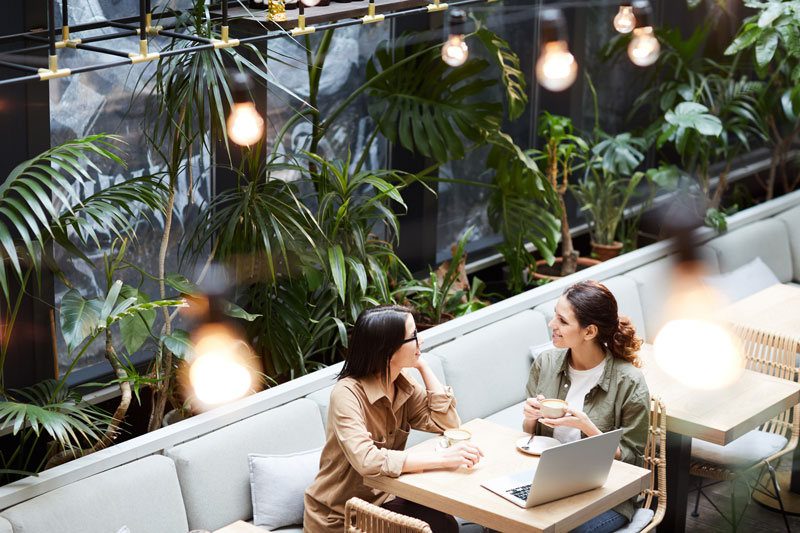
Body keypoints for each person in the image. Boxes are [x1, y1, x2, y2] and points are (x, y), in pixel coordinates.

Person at [304, 305, 484, 533]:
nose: (421, 342)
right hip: (342, 515)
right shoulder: (347, 394)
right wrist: (442, 459)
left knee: (445, 522)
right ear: (387, 349)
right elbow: (367, 460)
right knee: (437, 526)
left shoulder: (401, 382)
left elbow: (449, 425)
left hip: (384, 499)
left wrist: (423, 364)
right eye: (413, 336)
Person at [523, 281, 649, 533]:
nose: (552, 325)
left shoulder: (630, 382)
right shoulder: (546, 363)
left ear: (589, 331)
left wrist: (589, 429)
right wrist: (529, 418)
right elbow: (530, 436)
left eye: (562, 320)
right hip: (548, 484)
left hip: (606, 496)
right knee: (503, 521)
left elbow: (633, 460)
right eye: (554, 317)